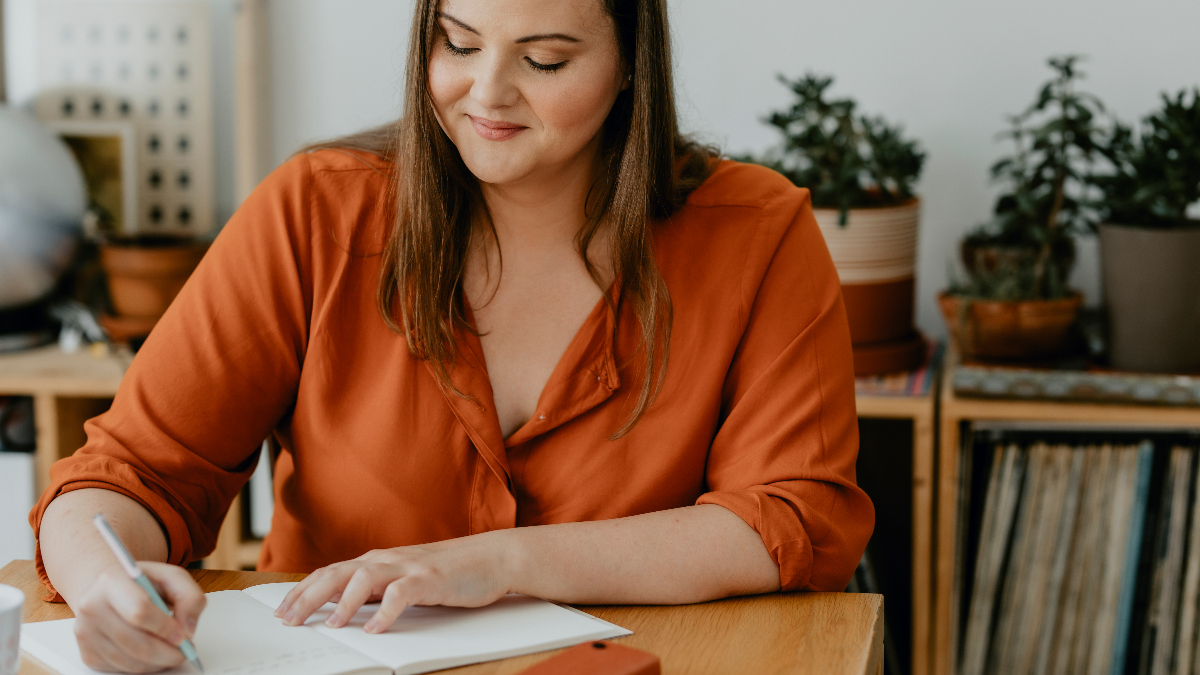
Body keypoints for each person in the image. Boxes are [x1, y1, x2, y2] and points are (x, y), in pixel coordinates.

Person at [31, 0, 874, 671]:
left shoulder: (757, 232)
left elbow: (793, 517)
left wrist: (496, 562)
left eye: (545, 59)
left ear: (629, 68)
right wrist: (109, 584)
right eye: (458, 43)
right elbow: (128, 475)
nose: (488, 92)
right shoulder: (316, 211)